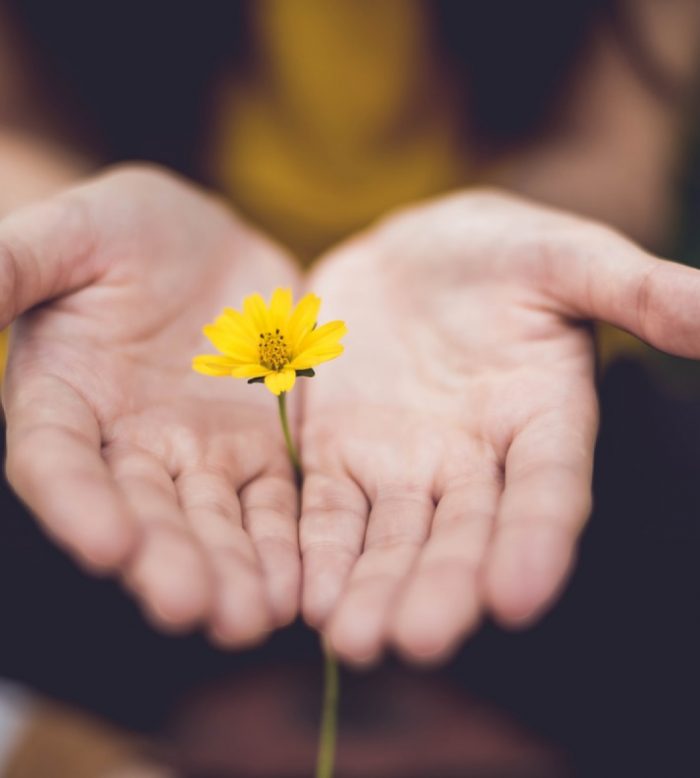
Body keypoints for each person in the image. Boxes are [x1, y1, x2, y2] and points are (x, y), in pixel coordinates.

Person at [0, 0, 699, 676]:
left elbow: (611, 146)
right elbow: (16, 124)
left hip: (491, 366)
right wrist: (52, 222)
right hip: (132, 358)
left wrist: (539, 235)